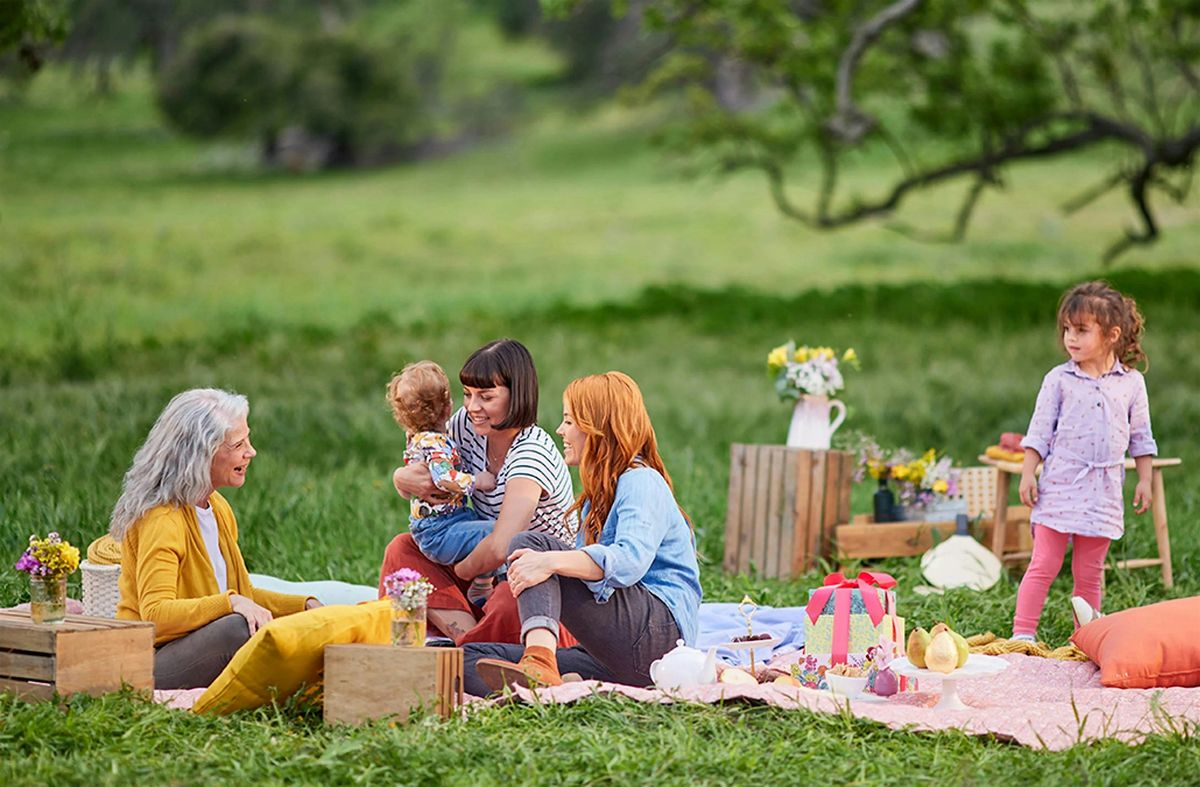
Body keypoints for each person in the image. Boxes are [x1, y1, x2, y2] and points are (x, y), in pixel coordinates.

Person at [468, 371, 702, 694]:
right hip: (616, 654)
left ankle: (540, 661)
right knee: (469, 657)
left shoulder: (642, 481)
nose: (560, 430)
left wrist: (549, 561)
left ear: (597, 428)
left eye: (569, 421)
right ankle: (551, 682)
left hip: (658, 640)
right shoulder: (596, 499)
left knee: (530, 545)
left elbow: (629, 561)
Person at [111, 389, 321, 690]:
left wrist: (306, 606)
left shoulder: (217, 507)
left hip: (199, 645)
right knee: (238, 627)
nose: (251, 452)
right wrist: (231, 602)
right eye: (238, 445)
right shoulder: (162, 519)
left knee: (301, 618)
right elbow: (156, 614)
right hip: (148, 660)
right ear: (201, 454)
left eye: (247, 440)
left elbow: (244, 595)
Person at [379, 339, 577, 645]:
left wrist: (462, 573)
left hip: (539, 580)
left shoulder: (531, 454)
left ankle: (470, 648)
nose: (472, 407)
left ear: (517, 395)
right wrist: (400, 478)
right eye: (467, 394)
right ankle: (469, 639)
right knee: (402, 551)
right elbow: (427, 460)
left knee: (509, 601)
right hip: (484, 567)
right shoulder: (466, 425)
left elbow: (501, 545)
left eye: (486, 397)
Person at [1012, 281, 1157, 642]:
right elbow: (1039, 431)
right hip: (1060, 487)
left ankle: (1086, 637)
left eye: (1080, 330)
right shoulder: (1059, 380)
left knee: (1089, 572)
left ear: (1112, 335)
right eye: (1066, 329)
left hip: (1103, 492)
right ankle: (1023, 633)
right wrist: (1028, 473)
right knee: (1044, 563)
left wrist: (1144, 479)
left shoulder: (1131, 384)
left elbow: (1141, 437)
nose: (1070, 338)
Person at [386, 360, 498, 604]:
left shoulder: (416, 438)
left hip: (444, 523)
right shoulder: (435, 445)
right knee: (496, 533)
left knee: (486, 529)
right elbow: (444, 478)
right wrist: (478, 481)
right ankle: (482, 584)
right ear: (447, 407)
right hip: (440, 532)